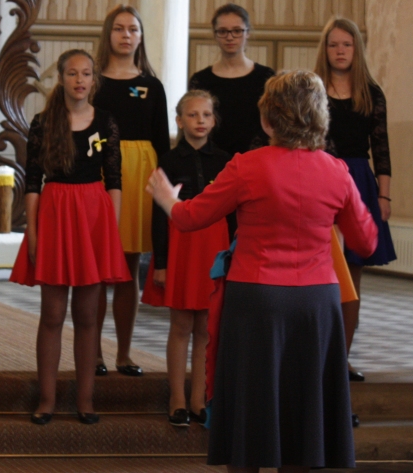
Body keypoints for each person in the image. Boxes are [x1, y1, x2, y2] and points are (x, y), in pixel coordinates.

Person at [148, 70, 377, 472]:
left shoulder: (247, 166)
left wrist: (167, 198)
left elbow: (190, 218)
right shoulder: (336, 170)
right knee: (304, 413)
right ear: (320, 117)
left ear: (268, 119)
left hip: (256, 299)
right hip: (317, 303)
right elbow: (366, 243)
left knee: (251, 406)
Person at [9, 49, 130, 426]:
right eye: (72, 73)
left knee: (88, 316)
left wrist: (112, 229)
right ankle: (47, 399)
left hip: (93, 217)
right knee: (53, 314)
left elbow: (114, 180)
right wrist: (32, 229)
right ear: (60, 78)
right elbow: (32, 180)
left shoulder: (106, 122)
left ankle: (85, 399)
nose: (80, 79)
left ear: (94, 80)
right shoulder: (44, 123)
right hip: (56, 212)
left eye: (86, 74)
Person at [140, 90, 233, 427]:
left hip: (213, 245)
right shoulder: (168, 160)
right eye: (192, 115)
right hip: (180, 246)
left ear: (214, 120)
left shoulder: (225, 161)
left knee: (206, 328)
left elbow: (233, 213)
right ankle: (177, 397)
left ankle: (200, 397)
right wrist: (161, 262)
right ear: (179, 121)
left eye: (206, 115)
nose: (200, 121)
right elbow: (157, 215)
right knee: (181, 324)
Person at [314, 17, 396, 382]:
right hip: (320, 177)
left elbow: (381, 147)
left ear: (356, 48)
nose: (340, 51)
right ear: (325, 49)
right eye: (334, 45)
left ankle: (341, 358)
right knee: (320, 271)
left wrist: (383, 194)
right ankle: (316, 357)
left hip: (359, 183)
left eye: (346, 44)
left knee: (352, 275)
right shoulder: (314, 89)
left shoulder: (371, 92)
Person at [91, 5, 170, 378]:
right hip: (99, 171)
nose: (126, 35)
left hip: (141, 174)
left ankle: (123, 353)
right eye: (119, 29)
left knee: (127, 268)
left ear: (140, 37)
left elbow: (162, 142)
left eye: (133, 29)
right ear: (108, 34)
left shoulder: (152, 86)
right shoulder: (91, 81)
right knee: (94, 269)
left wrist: (166, 188)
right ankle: (92, 351)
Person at [189, 4, 275, 156]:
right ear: (215, 34)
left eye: (236, 31)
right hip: (212, 161)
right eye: (223, 31)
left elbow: (275, 124)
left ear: (247, 32)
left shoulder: (266, 77)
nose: (229, 37)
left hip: (256, 160)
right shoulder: (201, 80)